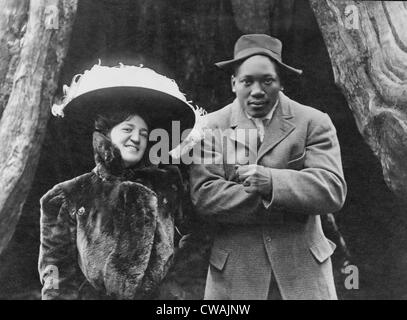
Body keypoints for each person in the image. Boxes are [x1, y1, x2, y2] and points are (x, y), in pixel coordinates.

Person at [189, 34, 347, 300]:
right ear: (233, 83)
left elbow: (331, 189)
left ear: (281, 82)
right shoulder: (210, 128)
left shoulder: (314, 122)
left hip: (303, 275)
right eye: (247, 81)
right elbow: (205, 196)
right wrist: (287, 198)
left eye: (267, 81)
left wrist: (272, 182)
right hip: (236, 276)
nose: (257, 91)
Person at [38, 63, 199, 300]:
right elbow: (55, 268)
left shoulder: (168, 184)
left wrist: (178, 288)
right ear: (105, 133)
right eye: (127, 129)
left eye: (143, 134)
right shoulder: (67, 196)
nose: (136, 138)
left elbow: (196, 237)